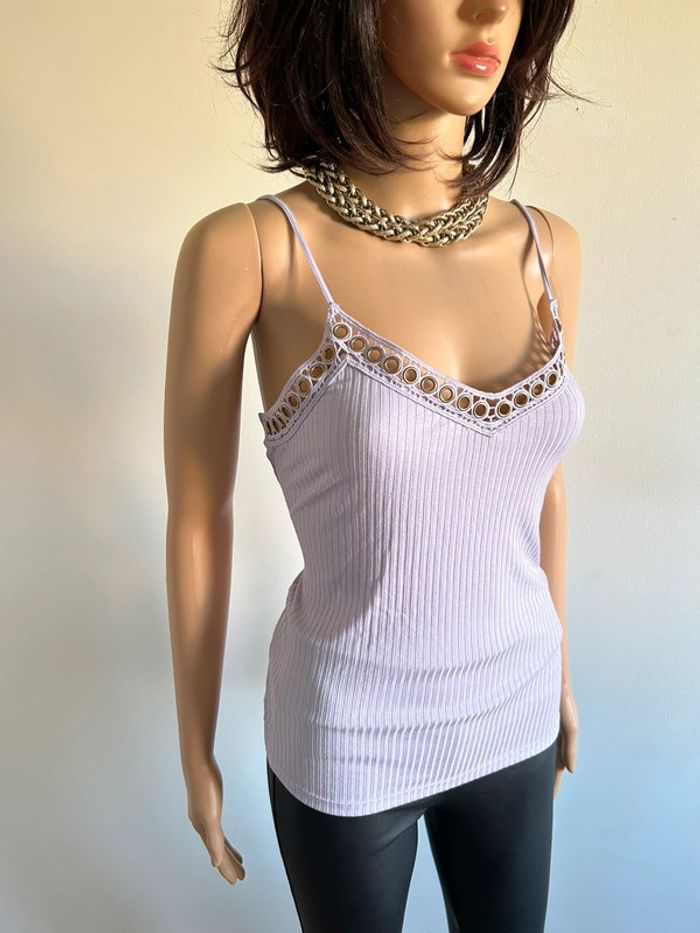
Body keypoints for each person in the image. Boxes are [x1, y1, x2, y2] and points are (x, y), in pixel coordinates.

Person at [164, 1, 588, 930]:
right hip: (351, 732)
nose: (491, 10)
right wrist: (196, 750)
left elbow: (542, 483)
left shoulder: (548, 248)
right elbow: (199, 514)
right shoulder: (256, 250)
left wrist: (558, 669)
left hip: (517, 704)